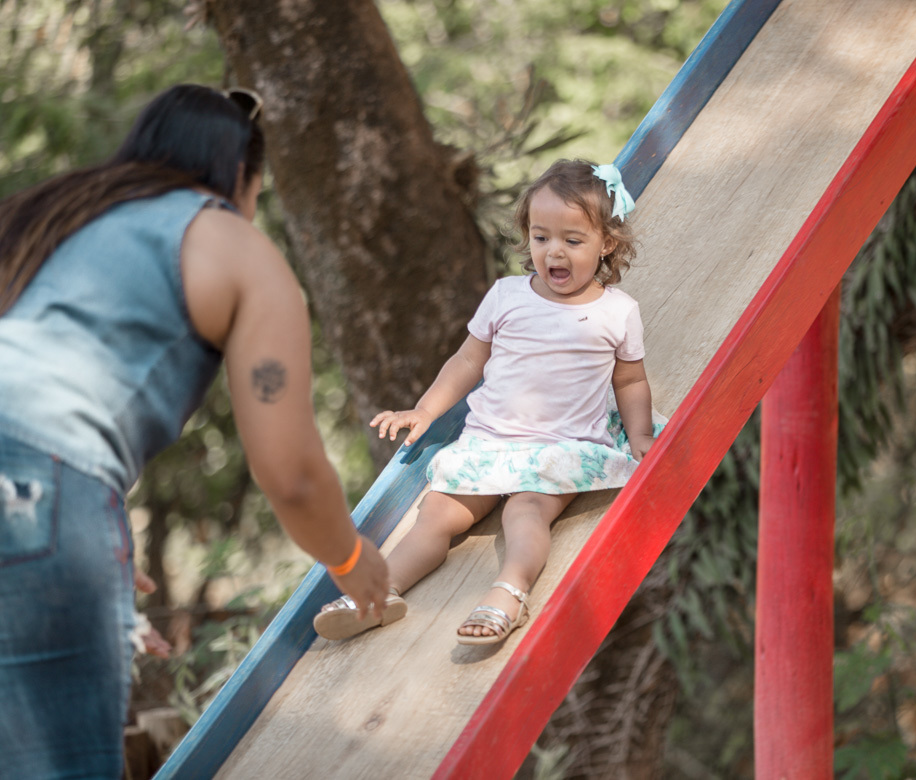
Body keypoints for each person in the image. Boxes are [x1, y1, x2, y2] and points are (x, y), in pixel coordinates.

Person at [0, 84, 390, 778]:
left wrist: (87, 532)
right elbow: (292, 472)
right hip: (40, 493)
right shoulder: (232, 242)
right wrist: (352, 559)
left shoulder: (54, 215)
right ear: (242, 174)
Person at [313, 159, 658, 646]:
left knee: (526, 512)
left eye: (572, 240)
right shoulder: (506, 296)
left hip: (559, 446)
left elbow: (630, 380)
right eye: (541, 237)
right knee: (436, 515)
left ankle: (508, 594)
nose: (554, 251)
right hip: (489, 440)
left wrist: (640, 435)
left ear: (606, 244)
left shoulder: (617, 312)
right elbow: (468, 359)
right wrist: (425, 410)